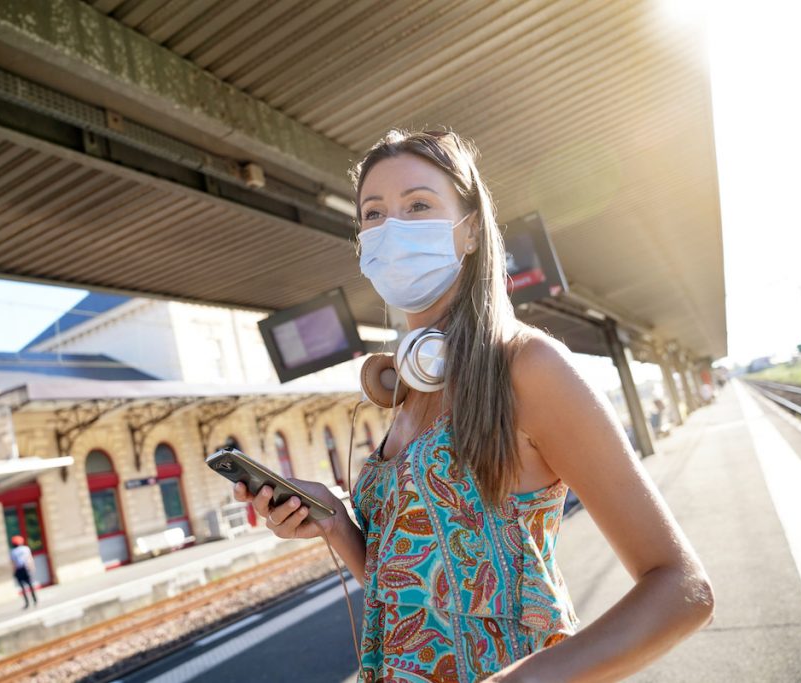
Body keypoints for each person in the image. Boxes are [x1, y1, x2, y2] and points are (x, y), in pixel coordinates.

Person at [233, 129, 714, 682]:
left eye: (418, 205)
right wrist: (337, 523)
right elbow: (419, 587)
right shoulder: (412, 386)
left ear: (469, 231)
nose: (393, 229)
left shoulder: (528, 367)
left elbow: (682, 588)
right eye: (373, 214)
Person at [10, 535, 38, 609]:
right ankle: (35, 600)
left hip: (19, 570)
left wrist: (14, 572)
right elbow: (30, 558)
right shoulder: (26, 549)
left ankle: (27, 603)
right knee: (30, 585)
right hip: (26, 568)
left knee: (22, 587)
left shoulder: (13, 552)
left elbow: (14, 563)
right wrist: (32, 567)